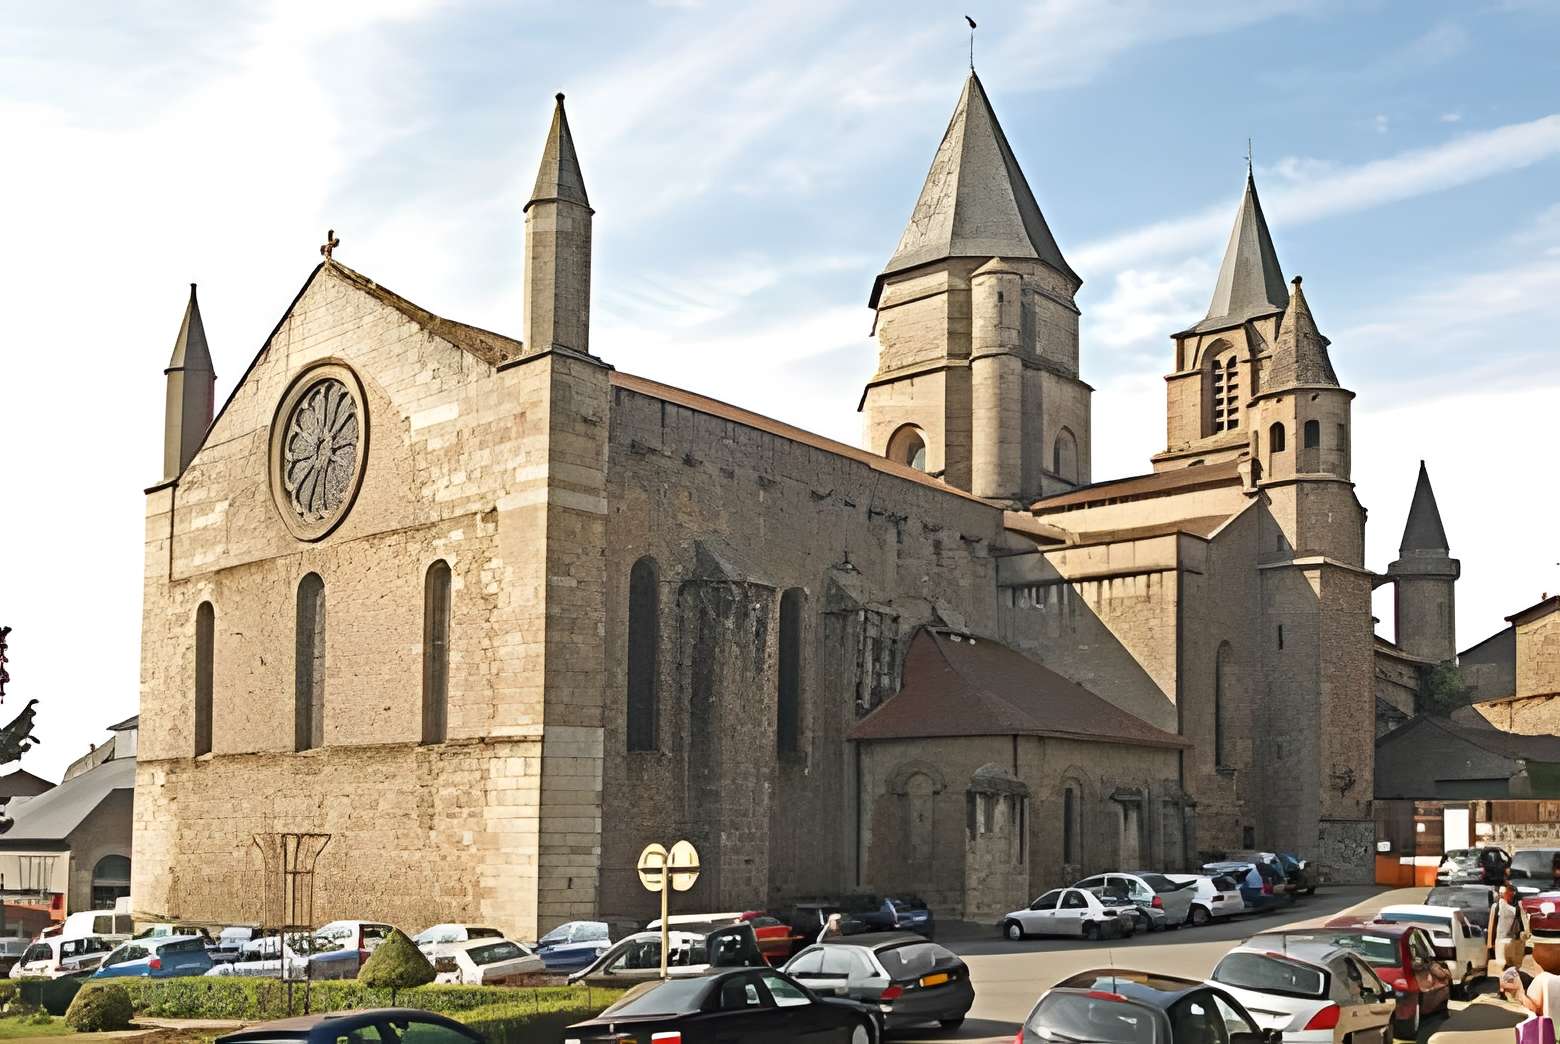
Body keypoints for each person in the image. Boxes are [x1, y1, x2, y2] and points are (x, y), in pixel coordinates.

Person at [1492, 882, 1528, 971]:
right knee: (1508, 964)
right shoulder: (1501, 905)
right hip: (1506, 939)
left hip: (1512, 939)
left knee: (1512, 964)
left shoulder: (1517, 906)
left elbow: (1523, 920)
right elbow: (1494, 923)